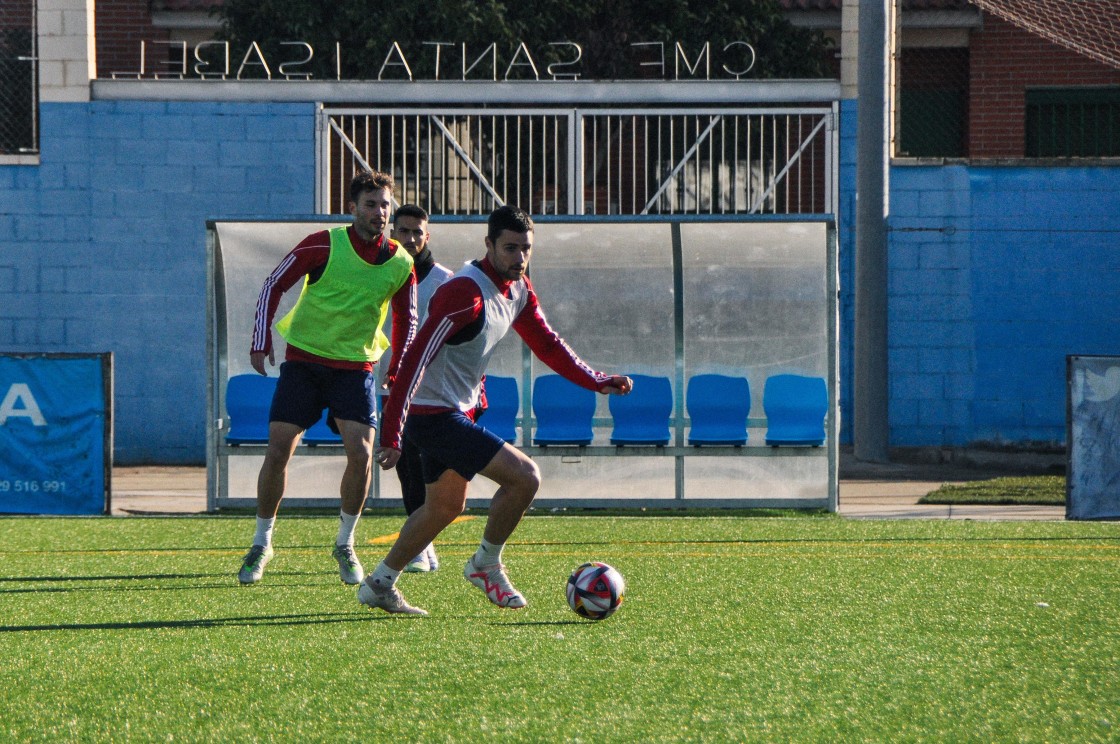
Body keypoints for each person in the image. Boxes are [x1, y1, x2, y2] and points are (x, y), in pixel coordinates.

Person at [357, 205, 633, 615]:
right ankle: (486, 564)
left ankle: (379, 583)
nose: (519, 257)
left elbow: (547, 343)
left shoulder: (518, 287)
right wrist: (394, 433)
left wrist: (596, 380)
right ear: (489, 245)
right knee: (524, 478)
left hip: (458, 411)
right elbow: (413, 359)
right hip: (432, 416)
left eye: (525, 248)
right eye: (509, 248)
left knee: (445, 507)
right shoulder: (463, 293)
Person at [237, 170, 417, 586]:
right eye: (370, 204)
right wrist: (261, 336)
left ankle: (344, 543)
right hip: (304, 361)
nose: (379, 212)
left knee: (361, 454)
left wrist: (400, 364)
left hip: (355, 368)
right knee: (279, 447)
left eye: (385, 205)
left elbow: (409, 320)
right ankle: (262, 542)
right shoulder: (323, 242)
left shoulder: (401, 263)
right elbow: (273, 285)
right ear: (352, 208)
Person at [380, 204, 454, 574]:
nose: (410, 238)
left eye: (417, 232)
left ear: (428, 235)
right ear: (393, 231)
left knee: (428, 470)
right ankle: (422, 546)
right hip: (393, 387)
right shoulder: (382, 272)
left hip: (433, 393)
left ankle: (422, 543)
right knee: (406, 465)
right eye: (403, 230)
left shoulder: (445, 281)